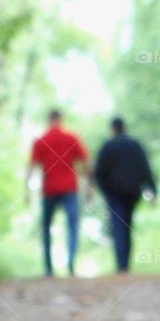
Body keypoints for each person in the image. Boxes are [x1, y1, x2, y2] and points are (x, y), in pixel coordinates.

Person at [28, 110, 91, 277]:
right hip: (69, 188)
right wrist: (89, 188)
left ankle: (49, 269)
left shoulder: (40, 140)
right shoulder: (71, 138)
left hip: (49, 189)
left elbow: (32, 166)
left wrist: (27, 190)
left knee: (46, 227)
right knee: (72, 226)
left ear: (48, 120)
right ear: (61, 119)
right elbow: (85, 162)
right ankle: (70, 262)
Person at [94, 117, 157, 273]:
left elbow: (99, 172)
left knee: (118, 227)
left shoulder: (108, 146)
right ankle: (125, 265)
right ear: (125, 127)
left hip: (115, 194)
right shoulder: (134, 145)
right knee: (127, 226)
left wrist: (105, 191)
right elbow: (145, 168)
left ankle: (122, 265)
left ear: (112, 128)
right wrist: (151, 190)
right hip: (132, 192)